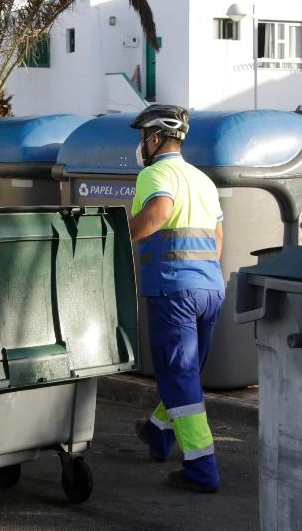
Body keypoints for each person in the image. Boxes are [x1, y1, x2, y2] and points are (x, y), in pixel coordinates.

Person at [128, 104, 225, 494]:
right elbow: (218, 239)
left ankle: (203, 469)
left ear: (153, 138)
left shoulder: (156, 173)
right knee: (186, 375)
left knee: (180, 378)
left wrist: (119, 234)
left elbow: (158, 212)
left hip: (173, 290)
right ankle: (157, 434)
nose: (141, 144)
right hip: (210, 288)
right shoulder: (204, 180)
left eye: (142, 137)